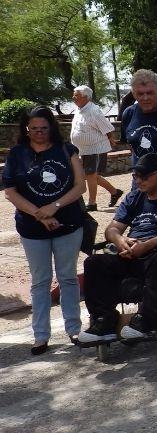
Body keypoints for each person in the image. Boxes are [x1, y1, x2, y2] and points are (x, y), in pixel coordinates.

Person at [78, 154, 157, 343]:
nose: (138, 181)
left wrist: (148, 245)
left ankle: (148, 321)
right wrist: (121, 241)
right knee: (94, 263)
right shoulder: (134, 197)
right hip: (131, 251)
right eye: (135, 176)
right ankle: (104, 320)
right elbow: (112, 229)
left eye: (144, 177)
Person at [2, 107, 86, 355]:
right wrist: (39, 214)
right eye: (34, 129)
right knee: (40, 281)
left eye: (44, 128)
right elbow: (10, 191)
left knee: (68, 277)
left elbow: (80, 185)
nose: (39, 133)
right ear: (26, 130)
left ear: (52, 128)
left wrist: (54, 206)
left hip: (67, 223)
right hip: (32, 227)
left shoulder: (66, 150)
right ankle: (40, 335)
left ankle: (74, 328)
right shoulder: (17, 154)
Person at [70, 85, 123, 211]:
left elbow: (106, 126)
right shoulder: (79, 109)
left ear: (85, 97)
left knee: (90, 174)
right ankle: (114, 192)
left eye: (76, 95)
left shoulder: (94, 111)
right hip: (81, 149)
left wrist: (111, 138)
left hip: (94, 148)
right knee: (90, 175)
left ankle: (92, 203)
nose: (73, 97)